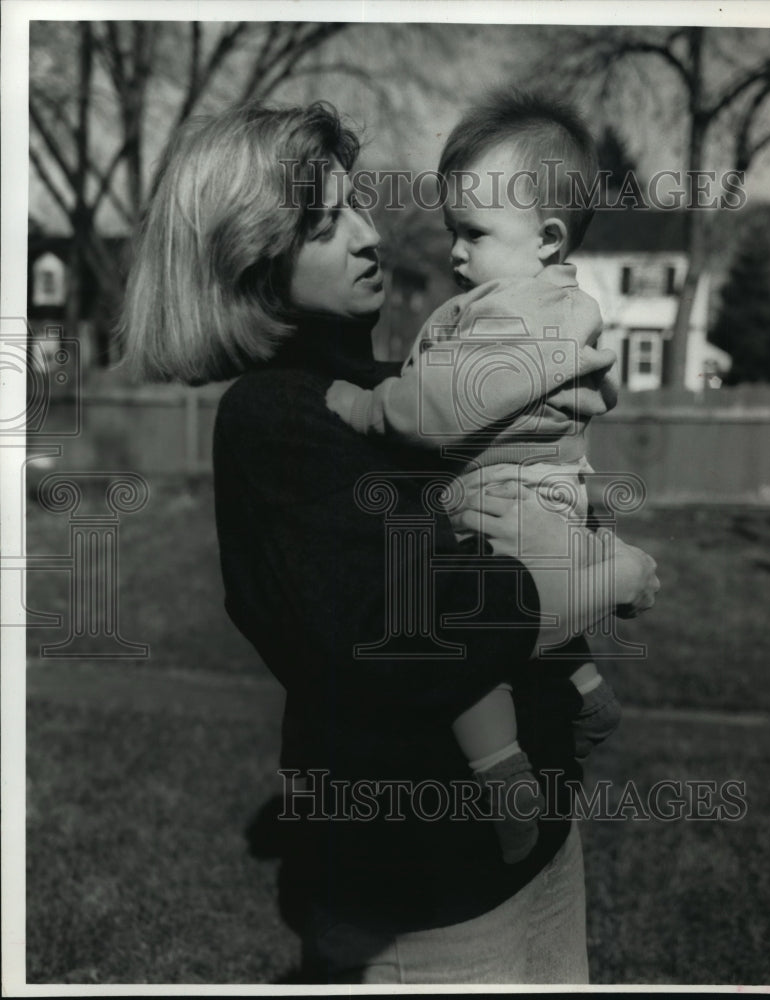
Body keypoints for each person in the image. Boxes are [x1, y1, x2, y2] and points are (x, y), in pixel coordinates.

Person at [118, 100, 659, 985]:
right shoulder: (278, 417)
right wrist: (610, 576)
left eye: (359, 206)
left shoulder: (379, 383)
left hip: (529, 851)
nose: (371, 237)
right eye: (327, 225)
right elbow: (419, 630)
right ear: (249, 258)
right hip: (424, 890)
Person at [325, 90, 623, 865]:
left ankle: (502, 780)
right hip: (542, 498)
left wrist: (367, 406)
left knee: (452, 639)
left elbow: (441, 409)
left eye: (473, 233)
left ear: (547, 238)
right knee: (534, 616)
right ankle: (587, 696)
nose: (455, 252)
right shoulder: (553, 305)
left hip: (506, 499)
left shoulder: (519, 317)